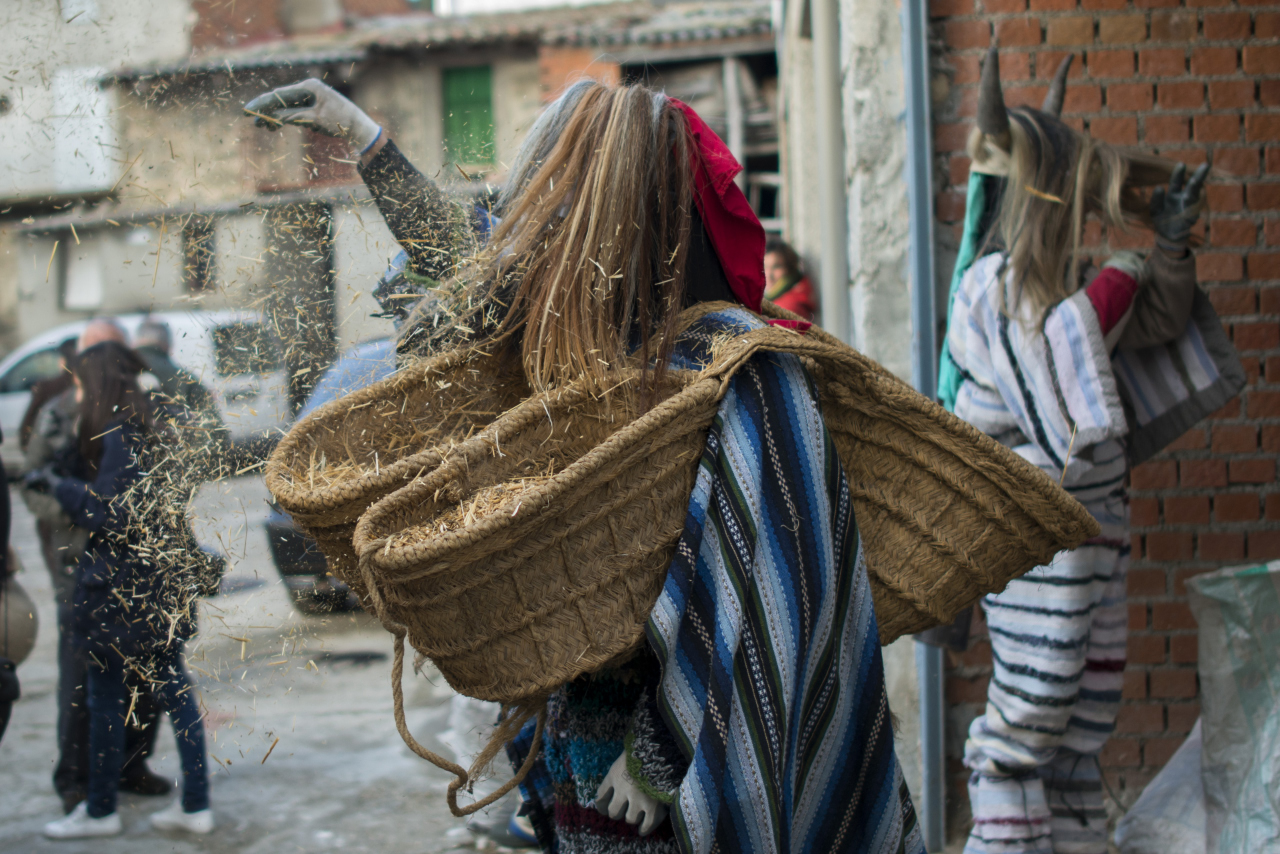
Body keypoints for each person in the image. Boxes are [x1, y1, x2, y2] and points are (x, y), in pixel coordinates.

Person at [247, 78, 922, 853]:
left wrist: (661, 751)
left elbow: (777, 587)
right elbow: (471, 285)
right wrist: (364, 138)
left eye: (571, 209)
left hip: (686, 773)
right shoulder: (580, 358)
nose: (553, 237)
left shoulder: (742, 368)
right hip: (575, 752)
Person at [942, 49, 1243, 854]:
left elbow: (1155, 322)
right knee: (1032, 709)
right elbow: (1052, 366)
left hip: (1096, 524)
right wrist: (1119, 278)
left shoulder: (1062, 287)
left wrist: (1167, 251)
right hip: (1030, 527)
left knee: (1084, 714)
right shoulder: (991, 288)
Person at [35, 341, 213, 840]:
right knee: (176, 693)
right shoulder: (159, 423)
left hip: (120, 593)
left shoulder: (120, 431)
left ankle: (100, 811)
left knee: (106, 699)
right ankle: (196, 806)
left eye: (82, 383)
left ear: (98, 382)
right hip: (162, 586)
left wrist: (61, 487)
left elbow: (110, 512)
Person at [20, 319, 169, 813]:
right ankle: (76, 778)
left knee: (143, 671)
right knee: (82, 675)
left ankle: (131, 764)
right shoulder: (58, 411)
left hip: (134, 562)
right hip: (76, 562)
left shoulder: (141, 408)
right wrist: (76, 516)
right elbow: (34, 481)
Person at [763, 236, 816, 320]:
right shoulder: (776, 297)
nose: (768, 274)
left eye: (776, 266)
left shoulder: (788, 307)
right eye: (764, 266)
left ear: (789, 268)